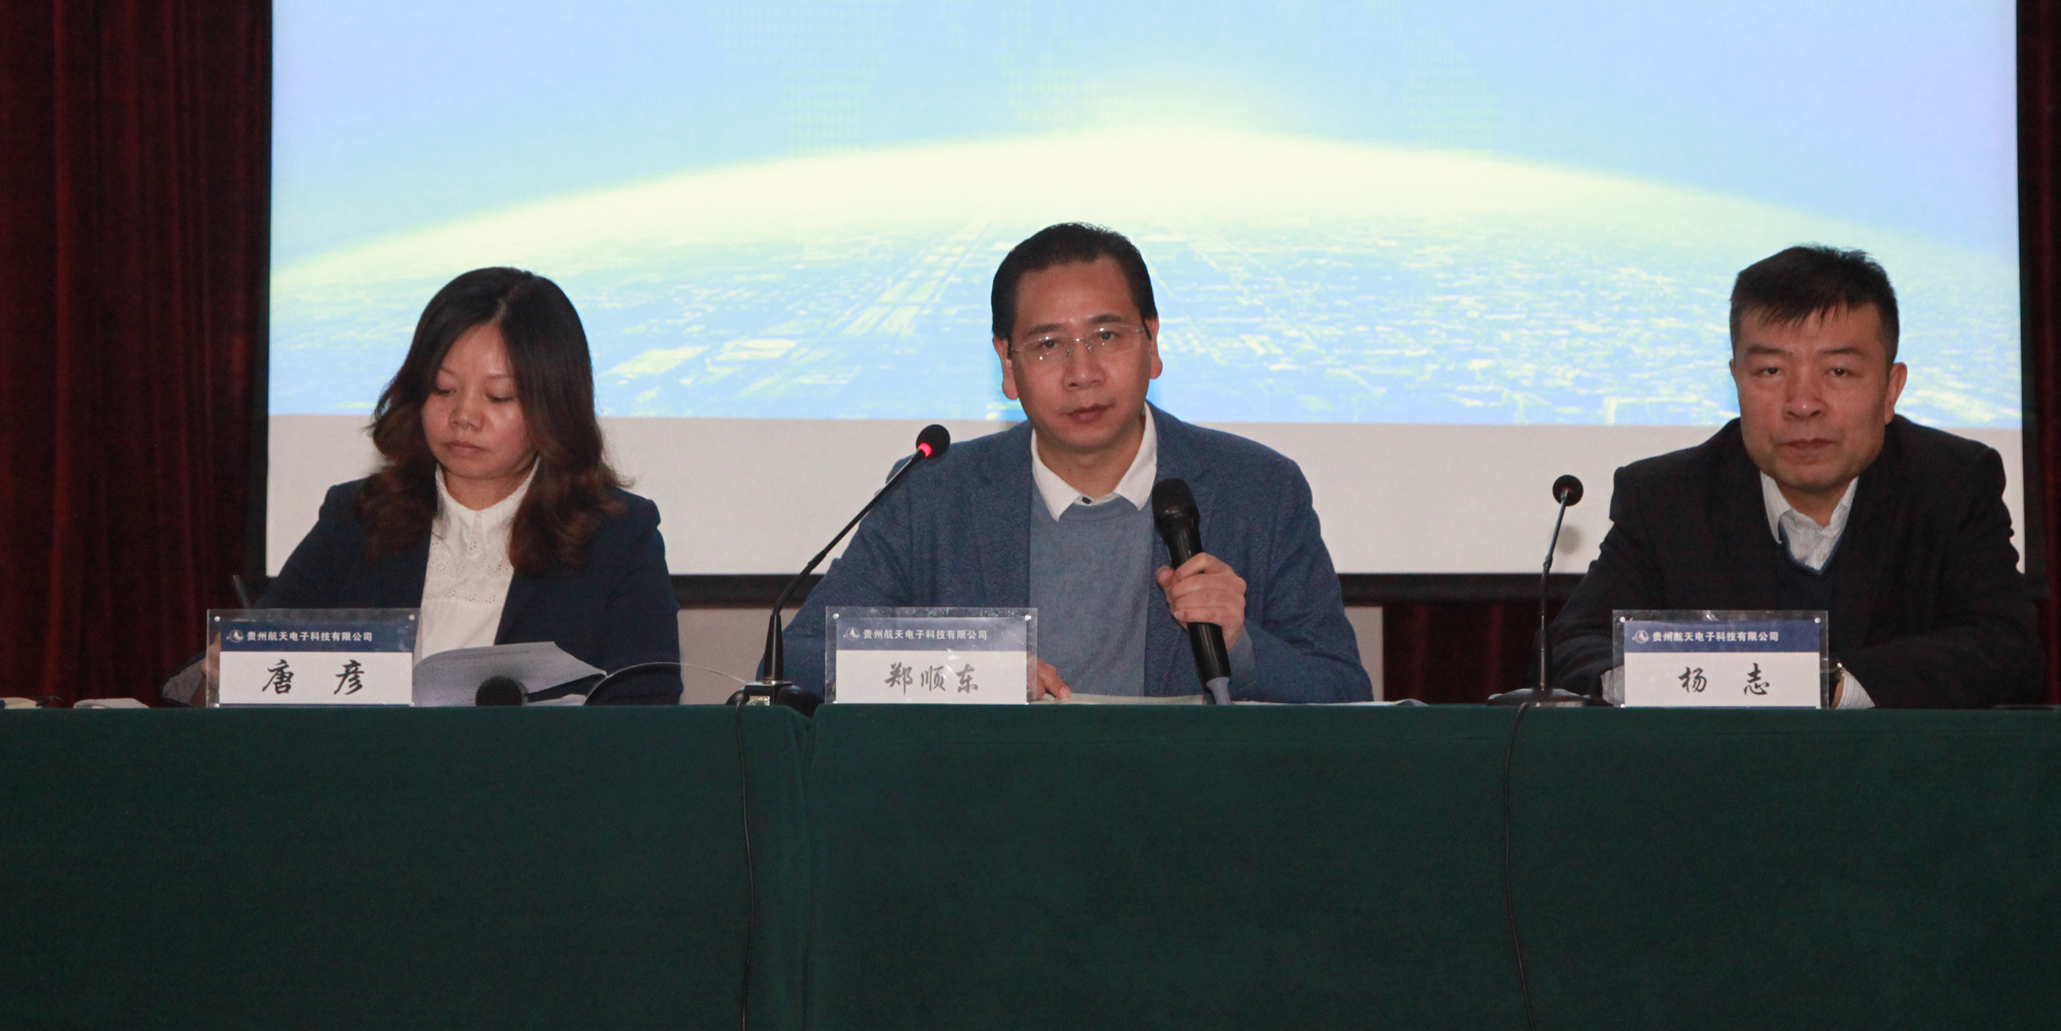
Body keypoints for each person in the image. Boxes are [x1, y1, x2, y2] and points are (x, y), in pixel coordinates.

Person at [780, 223, 1370, 702]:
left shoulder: (1259, 489)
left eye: (1107, 337)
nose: (1082, 372)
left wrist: (1240, 644)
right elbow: (797, 657)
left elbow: (1344, 692)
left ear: (1153, 343)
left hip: (1191, 805)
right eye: (1047, 346)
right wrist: (971, 672)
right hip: (999, 803)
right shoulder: (933, 495)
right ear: (1008, 367)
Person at [1549, 245, 2043, 709]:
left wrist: (1833, 685)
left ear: (1891, 389)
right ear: (1736, 380)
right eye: (1770, 371)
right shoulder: (1667, 497)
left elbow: (2005, 646)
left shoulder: (1951, 483)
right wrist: (1677, 680)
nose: (1803, 404)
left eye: (1839, 372)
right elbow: (1573, 645)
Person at [263, 267, 681, 700]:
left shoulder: (618, 537)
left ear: (553, 405)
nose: (464, 416)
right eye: (443, 389)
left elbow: (648, 710)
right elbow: (257, 663)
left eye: (498, 397)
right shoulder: (357, 517)